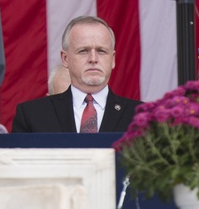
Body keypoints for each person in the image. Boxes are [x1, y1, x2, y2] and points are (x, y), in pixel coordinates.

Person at [12, 16, 140, 133]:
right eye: (83, 51)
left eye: (101, 51)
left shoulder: (142, 117)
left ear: (112, 60)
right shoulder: (32, 115)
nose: (93, 59)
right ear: (65, 58)